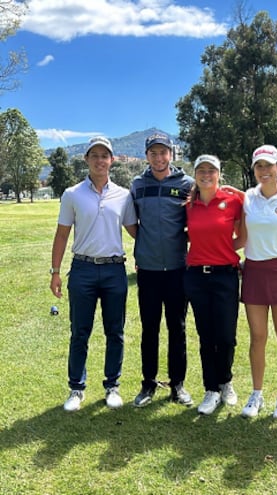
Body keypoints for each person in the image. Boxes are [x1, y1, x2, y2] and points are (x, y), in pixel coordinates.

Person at [50, 136, 137, 412]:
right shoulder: (72, 194)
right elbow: (62, 234)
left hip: (114, 269)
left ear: (112, 160)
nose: (100, 160)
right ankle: (76, 388)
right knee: (80, 332)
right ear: (86, 159)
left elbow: (136, 231)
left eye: (105, 155)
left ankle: (112, 386)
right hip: (83, 269)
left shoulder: (124, 195)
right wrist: (55, 271)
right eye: (95, 155)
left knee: (115, 331)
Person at [237, 145, 277, 419]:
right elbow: (240, 239)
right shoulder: (247, 198)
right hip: (253, 271)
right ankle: (256, 394)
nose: (264, 171)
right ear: (254, 170)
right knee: (258, 337)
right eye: (259, 166)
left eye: (268, 165)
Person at [130, 132, 194, 408]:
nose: (158, 157)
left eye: (163, 152)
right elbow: (131, 222)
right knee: (149, 328)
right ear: (147, 156)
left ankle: (177, 384)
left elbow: (197, 221)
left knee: (177, 328)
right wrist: (145, 243)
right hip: (148, 269)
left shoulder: (186, 184)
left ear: (171, 154)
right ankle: (148, 383)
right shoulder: (137, 185)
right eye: (153, 153)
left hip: (178, 268)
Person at [184, 154, 243, 415]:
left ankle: (226, 381)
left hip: (225, 275)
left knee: (226, 336)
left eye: (211, 170)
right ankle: (211, 389)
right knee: (206, 335)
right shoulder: (188, 205)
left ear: (219, 174)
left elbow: (243, 236)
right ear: (195, 174)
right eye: (201, 170)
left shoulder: (233, 201)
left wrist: (223, 251)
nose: (206, 175)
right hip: (197, 276)